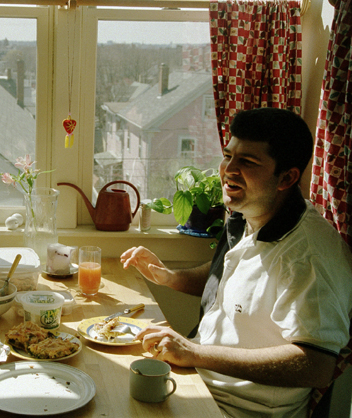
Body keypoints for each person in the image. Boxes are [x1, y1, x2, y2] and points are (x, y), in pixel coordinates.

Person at [121, 108, 352, 417]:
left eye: (248, 162)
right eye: (228, 156)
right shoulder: (251, 216)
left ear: (287, 177)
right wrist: (171, 277)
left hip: (239, 409)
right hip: (197, 383)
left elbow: (316, 365)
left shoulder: (309, 257)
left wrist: (195, 353)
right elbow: (231, 278)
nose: (228, 169)